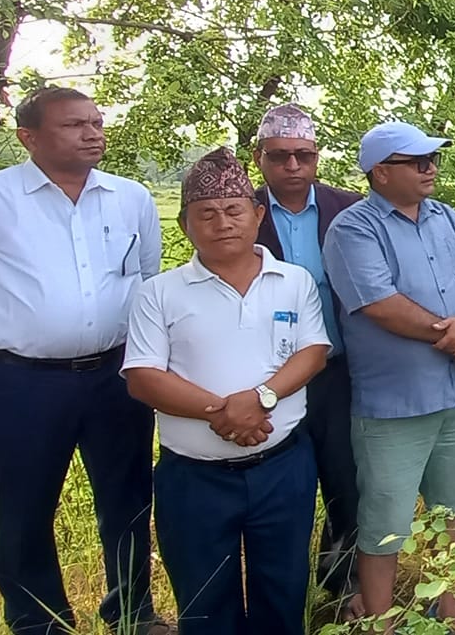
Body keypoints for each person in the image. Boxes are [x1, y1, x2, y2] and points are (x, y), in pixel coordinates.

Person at [0, 86, 167, 635]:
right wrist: (11, 330)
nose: (93, 133)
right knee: (24, 512)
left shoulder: (131, 199)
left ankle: (132, 613)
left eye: (97, 122)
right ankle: (39, 623)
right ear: (29, 137)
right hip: (21, 383)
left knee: (128, 502)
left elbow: (145, 279)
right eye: (75, 125)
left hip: (116, 376)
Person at [124, 149, 331, 635]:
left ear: (258, 215)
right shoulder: (161, 292)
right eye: (207, 214)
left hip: (283, 467)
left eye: (235, 210)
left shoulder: (293, 281)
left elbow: (313, 352)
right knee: (203, 601)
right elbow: (143, 377)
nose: (223, 223)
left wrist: (258, 399)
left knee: (282, 591)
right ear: (185, 225)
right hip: (193, 478)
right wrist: (223, 411)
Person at [322, 122, 455, 634]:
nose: (430, 168)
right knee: (385, 523)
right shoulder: (353, 229)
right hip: (392, 406)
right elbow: (382, 306)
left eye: (432, 159)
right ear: (380, 171)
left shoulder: (448, 218)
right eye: (417, 162)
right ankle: (381, 621)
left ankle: (449, 612)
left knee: (452, 511)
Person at [249, 103, 365, 612]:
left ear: (316, 157)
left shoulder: (350, 208)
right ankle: (281, 595)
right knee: (283, 489)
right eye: (280, 157)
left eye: (303, 155)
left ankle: (344, 585)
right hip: (264, 378)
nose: (293, 166)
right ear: (260, 158)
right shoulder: (240, 212)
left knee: (348, 479)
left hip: (339, 372)